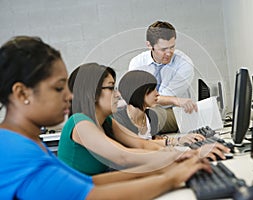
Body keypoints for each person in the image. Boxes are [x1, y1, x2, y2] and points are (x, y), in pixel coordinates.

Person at [0, 36, 212, 200]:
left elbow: (89, 182)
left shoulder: (25, 142)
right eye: (58, 88)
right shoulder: (14, 151)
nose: (69, 96)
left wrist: (167, 166)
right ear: (21, 93)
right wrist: (170, 176)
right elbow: (101, 185)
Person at [57, 63, 229, 176]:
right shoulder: (80, 123)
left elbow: (141, 144)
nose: (117, 94)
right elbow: (123, 156)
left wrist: (183, 151)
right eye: (111, 88)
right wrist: (184, 155)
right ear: (91, 93)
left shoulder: (107, 121)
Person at [128, 20, 197, 133]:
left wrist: (171, 100)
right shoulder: (137, 63)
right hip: (148, 107)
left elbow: (159, 99)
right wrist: (174, 100)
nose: (169, 53)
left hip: (173, 111)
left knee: (149, 115)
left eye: (172, 47)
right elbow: (135, 97)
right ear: (149, 45)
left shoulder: (184, 64)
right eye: (163, 49)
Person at [114, 70, 205, 146]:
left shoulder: (152, 116)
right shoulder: (118, 120)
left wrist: (178, 140)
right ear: (139, 93)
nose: (157, 94)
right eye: (152, 90)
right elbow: (135, 145)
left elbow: (153, 140)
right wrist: (174, 141)